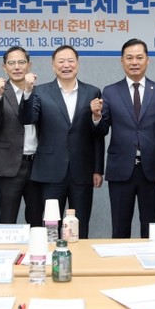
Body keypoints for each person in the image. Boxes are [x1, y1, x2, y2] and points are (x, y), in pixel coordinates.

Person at [93, 38, 155, 238]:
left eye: (139, 57)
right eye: (129, 58)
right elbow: (102, 130)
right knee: (120, 229)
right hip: (121, 169)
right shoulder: (110, 91)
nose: (134, 62)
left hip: (153, 169)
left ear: (147, 60)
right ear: (122, 61)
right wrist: (96, 117)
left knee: (151, 229)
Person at [19, 45, 104, 238]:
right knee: (50, 226)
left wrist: (98, 169)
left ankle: (80, 257)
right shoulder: (40, 91)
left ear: (77, 64)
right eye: (61, 61)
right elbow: (27, 119)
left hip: (82, 171)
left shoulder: (92, 92)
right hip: (50, 170)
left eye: (71, 61)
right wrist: (27, 92)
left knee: (80, 225)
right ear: (53, 65)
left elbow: (98, 135)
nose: (66, 65)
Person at [0, 46, 43, 226]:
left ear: (29, 65)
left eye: (21, 62)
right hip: (9, 165)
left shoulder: (40, 92)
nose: (17, 67)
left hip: (38, 164)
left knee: (36, 218)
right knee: (7, 218)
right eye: (11, 63)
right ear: (4, 67)